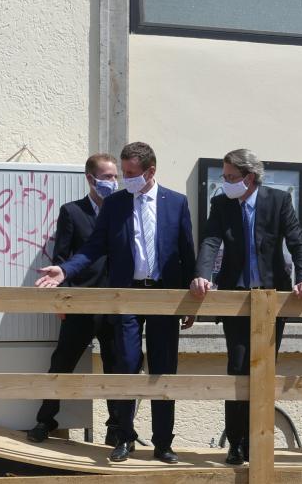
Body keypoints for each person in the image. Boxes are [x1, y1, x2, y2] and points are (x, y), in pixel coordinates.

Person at [35, 141, 196, 464]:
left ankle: (163, 443)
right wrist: (64, 270)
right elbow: (94, 248)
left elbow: (187, 253)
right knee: (125, 364)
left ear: (151, 172)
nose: (125, 178)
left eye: (132, 173)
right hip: (127, 295)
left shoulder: (176, 203)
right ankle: (124, 437)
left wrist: (189, 303)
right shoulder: (116, 205)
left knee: (164, 370)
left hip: (164, 296)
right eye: (123, 172)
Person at [190, 149, 302, 466]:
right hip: (236, 298)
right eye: (224, 176)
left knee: (264, 371)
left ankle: (259, 440)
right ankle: (236, 442)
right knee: (238, 368)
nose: (225, 182)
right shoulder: (221, 203)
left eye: (231, 177)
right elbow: (210, 241)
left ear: (250, 178)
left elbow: (297, 241)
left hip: (272, 298)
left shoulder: (278, 200)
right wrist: (202, 275)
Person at [27, 153, 126, 446]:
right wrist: (61, 301)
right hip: (80, 303)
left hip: (116, 304)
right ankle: (45, 420)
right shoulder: (72, 211)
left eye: (115, 176)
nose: (113, 181)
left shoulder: (123, 210)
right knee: (62, 363)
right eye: (107, 176)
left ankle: (117, 427)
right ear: (91, 178)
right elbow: (62, 258)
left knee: (118, 367)